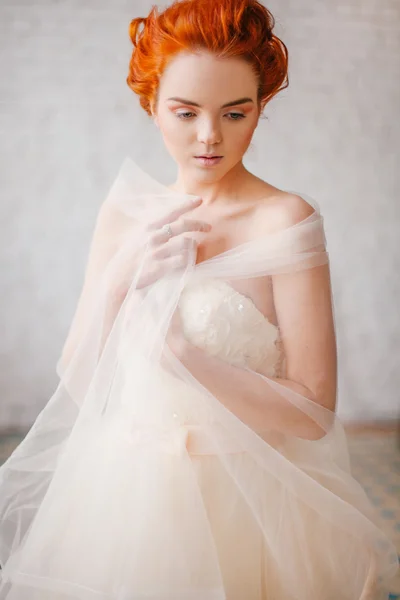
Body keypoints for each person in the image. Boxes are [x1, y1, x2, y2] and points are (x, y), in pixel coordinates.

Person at [0, 0, 398, 598]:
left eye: (235, 113)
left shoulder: (285, 219)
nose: (209, 136)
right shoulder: (125, 215)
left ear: (262, 107)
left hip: (249, 498)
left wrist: (185, 358)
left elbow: (315, 412)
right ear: (152, 105)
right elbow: (79, 381)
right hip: (128, 493)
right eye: (185, 113)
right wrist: (118, 282)